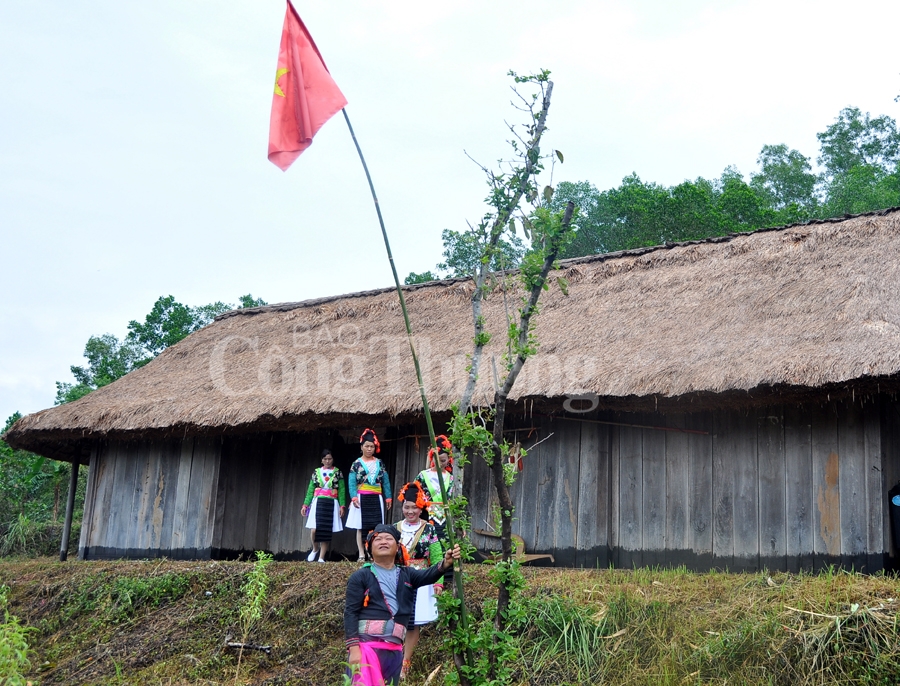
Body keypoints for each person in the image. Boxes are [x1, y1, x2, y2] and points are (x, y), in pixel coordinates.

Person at [344, 523, 461, 686]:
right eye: (378, 539)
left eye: (388, 538)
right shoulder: (360, 577)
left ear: (398, 547)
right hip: (366, 648)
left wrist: (446, 563)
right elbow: (350, 613)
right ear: (370, 548)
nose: (383, 541)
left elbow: (428, 575)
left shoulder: (407, 574)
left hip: (394, 650)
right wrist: (354, 648)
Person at [393, 482, 445, 680]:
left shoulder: (429, 529)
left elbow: (437, 556)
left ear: (421, 506)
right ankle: (393, 658)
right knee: (397, 619)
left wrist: (438, 581)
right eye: (407, 506)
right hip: (397, 578)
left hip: (421, 579)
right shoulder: (394, 529)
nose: (410, 511)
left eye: (414, 507)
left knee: (413, 623)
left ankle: (405, 664)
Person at [347, 428, 393, 561]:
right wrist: (354, 496)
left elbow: (385, 481)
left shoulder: (379, 463)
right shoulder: (356, 464)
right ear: (361, 447)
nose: (369, 449)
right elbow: (351, 482)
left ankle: (372, 553)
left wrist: (388, 497)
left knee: (376, 526)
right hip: (361, 497)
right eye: (366, 446)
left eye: (372, 446)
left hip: (376, 497)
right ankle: (361, 554)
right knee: (361, 527)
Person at [300, 448, 347, 562]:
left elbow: (341, 490)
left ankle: (321, 557)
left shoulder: (338, 472)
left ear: (333, 459)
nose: (327, 461)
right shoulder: (316, 472)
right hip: (318, 502)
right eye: (325, 459)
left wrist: (342, 506)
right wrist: (305, 505)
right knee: (314, 530)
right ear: (322, 460)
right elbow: (310, 490)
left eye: (329, 459)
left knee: (326, 530)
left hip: (331, 502)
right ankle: (315, 548)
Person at [414, 435, 455, 544]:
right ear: (431, 457)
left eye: (443, 460)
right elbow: (414, 496)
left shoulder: (451, 478)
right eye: (436, 460)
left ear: (448, 460)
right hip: (426, 516)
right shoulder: (422, 476)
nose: (439, 463)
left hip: (446, 517)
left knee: (444, 543)